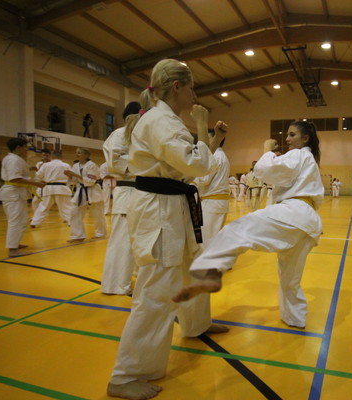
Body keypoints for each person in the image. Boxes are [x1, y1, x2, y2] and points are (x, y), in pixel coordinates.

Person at [107, 59, 229, 400]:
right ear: (177, 86)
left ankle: (196, 324)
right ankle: (127, 375)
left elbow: (192, 166)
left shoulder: (166, 120)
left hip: (173, 205)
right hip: (159, 209)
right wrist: (202, 125)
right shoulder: (160, 120)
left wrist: (213, 137)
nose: (194, 95)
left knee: (192, 270)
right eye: (191, 88)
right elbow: (197, 165)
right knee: (156, 290)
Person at [173, 120, 323, 331]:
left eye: (292, 135)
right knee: (290, 279)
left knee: (234, 231)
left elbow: (265, 169)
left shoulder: (299, 154)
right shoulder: (309, 160)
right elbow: (280, 177)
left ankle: (208, 275)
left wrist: (267, 150)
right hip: (308, 223)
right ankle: (295, 318)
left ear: (305, 138)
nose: (287, 139)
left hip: (293, 214)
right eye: (288, 135)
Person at [100, 101, 141, 296]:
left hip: (140, 192)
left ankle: (134, 276)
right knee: (122, 240)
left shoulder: (139, 136)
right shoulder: (119, 134)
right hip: (127, 191)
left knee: (138, 240)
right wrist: (144, 165)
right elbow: (114, 163)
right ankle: (115, 285)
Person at [0, 138, 46, 258]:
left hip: (17, 192)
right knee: (15, 220)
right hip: (13, 193)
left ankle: (15, 243)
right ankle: (13, 249)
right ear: (18, 148)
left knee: (22, 220)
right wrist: (36, 184)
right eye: (25, 147)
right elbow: (14, 178)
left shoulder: (15, 159)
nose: (27, 150)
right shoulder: (13, 160)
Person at [65, 148, 107, 242]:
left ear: (87, 155)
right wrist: (70, 175)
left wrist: (75, 175)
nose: (77, 154)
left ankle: (100, 233)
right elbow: (74, 181)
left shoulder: (92, 165)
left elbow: (91, 181)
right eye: (76, 153)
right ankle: (78, 235)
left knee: (98, 214)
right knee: (74, 212)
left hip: (93, 190)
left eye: (79, 153)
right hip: (81, 190)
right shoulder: (75, 166)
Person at [30, 151, 75, 228]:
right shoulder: (66, 165)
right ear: (61, 157)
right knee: (66, 207)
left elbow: (38, 176)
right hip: (62, 188)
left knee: (43, 206)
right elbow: (72, 178)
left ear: (52, 156)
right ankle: (71, 222)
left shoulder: (45, 165)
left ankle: (35, 222)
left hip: (48, 188)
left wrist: (41, 181)